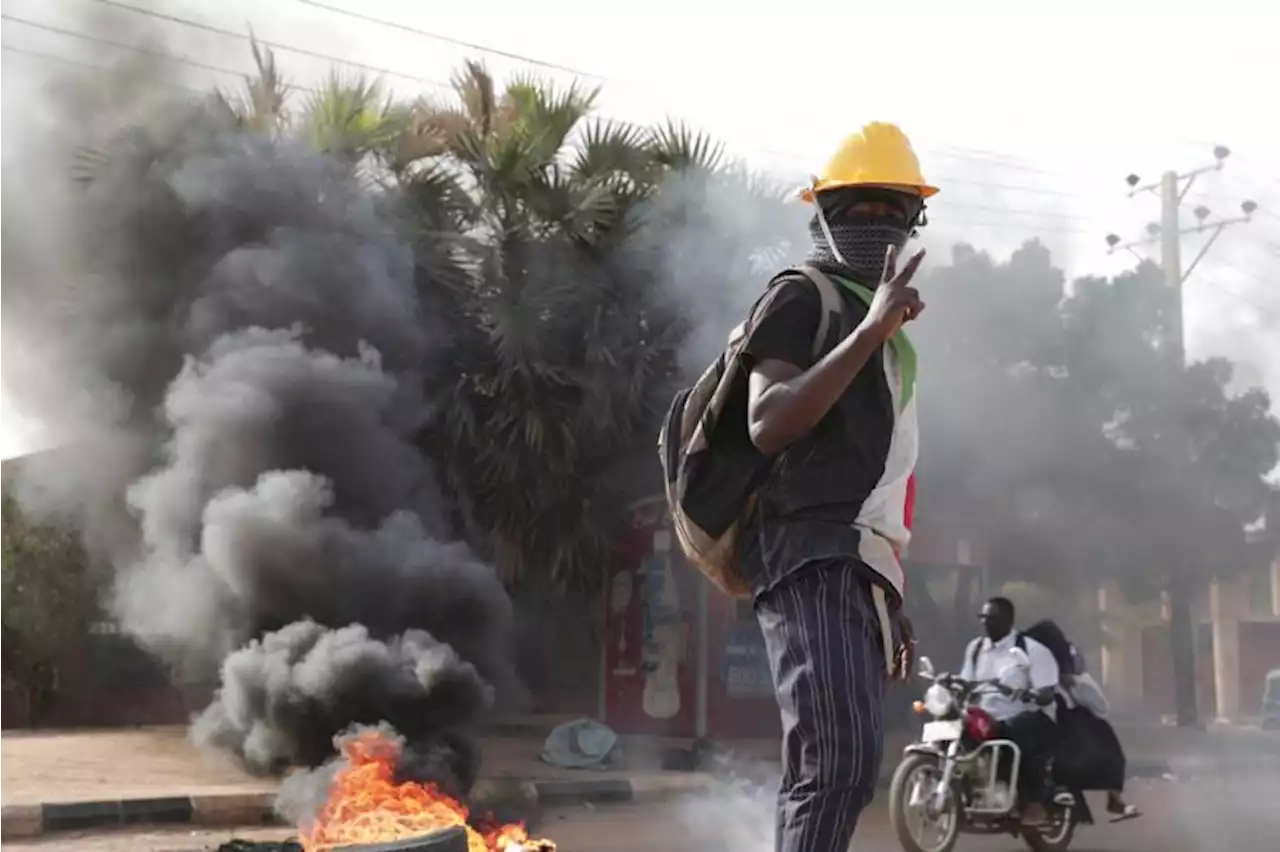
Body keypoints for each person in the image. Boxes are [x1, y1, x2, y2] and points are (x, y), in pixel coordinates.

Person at [739, 121, 936, 852]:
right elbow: (768, 422)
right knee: (835, 765)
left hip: (854, 562)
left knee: (848, 769)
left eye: (894, 209)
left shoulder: (886, 332)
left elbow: (881, 487)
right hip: (810, 551)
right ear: (822, 213)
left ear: (916, 220)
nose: (879, 224)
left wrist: (888, 586)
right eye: (860, 209)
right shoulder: (803, 296)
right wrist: (869, 332)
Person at [959, 597, 1060, 824]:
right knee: (955, 729)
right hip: (987, 717)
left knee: (1016, 730)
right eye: (983, 618)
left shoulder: (1032, 650)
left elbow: (1047, 693)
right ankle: (964, 789)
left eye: (992, 618)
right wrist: (951, 681)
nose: (985, 623)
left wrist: (1032, 694)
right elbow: (967, 682)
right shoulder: (975, 648)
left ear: (1008, 621)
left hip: (1029, 715)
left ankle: (1035, 802)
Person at [1060, 646, 1141, 822]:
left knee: (1110, 755)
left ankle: (1114, 798)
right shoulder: (1043, 670)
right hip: (1062, 722)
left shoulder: (1079, 681)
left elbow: (1101, 708)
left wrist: (1075, 687)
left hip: (1078, 722)